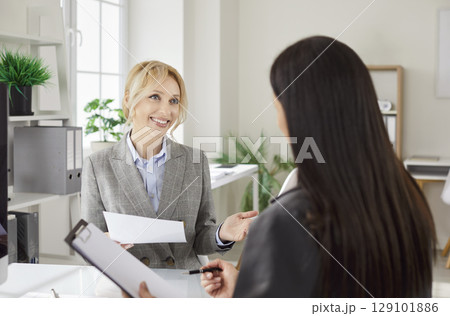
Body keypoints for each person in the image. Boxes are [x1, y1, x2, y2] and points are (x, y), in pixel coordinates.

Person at [133, 36, 437, 297]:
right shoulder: (409, 199)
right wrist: (246, 289)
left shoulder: (288, 220)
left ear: (298, 113)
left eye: (276, 103)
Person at [81, 60, 258, 270]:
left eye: (174, 101)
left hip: (184, 284)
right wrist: (103, 245)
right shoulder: (97, 165)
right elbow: (88, 244)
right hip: (127, 286)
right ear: (129, 99)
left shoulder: (195, 161)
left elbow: (200, 237)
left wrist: (222, 233)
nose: (166, 111)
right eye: (155, 97)